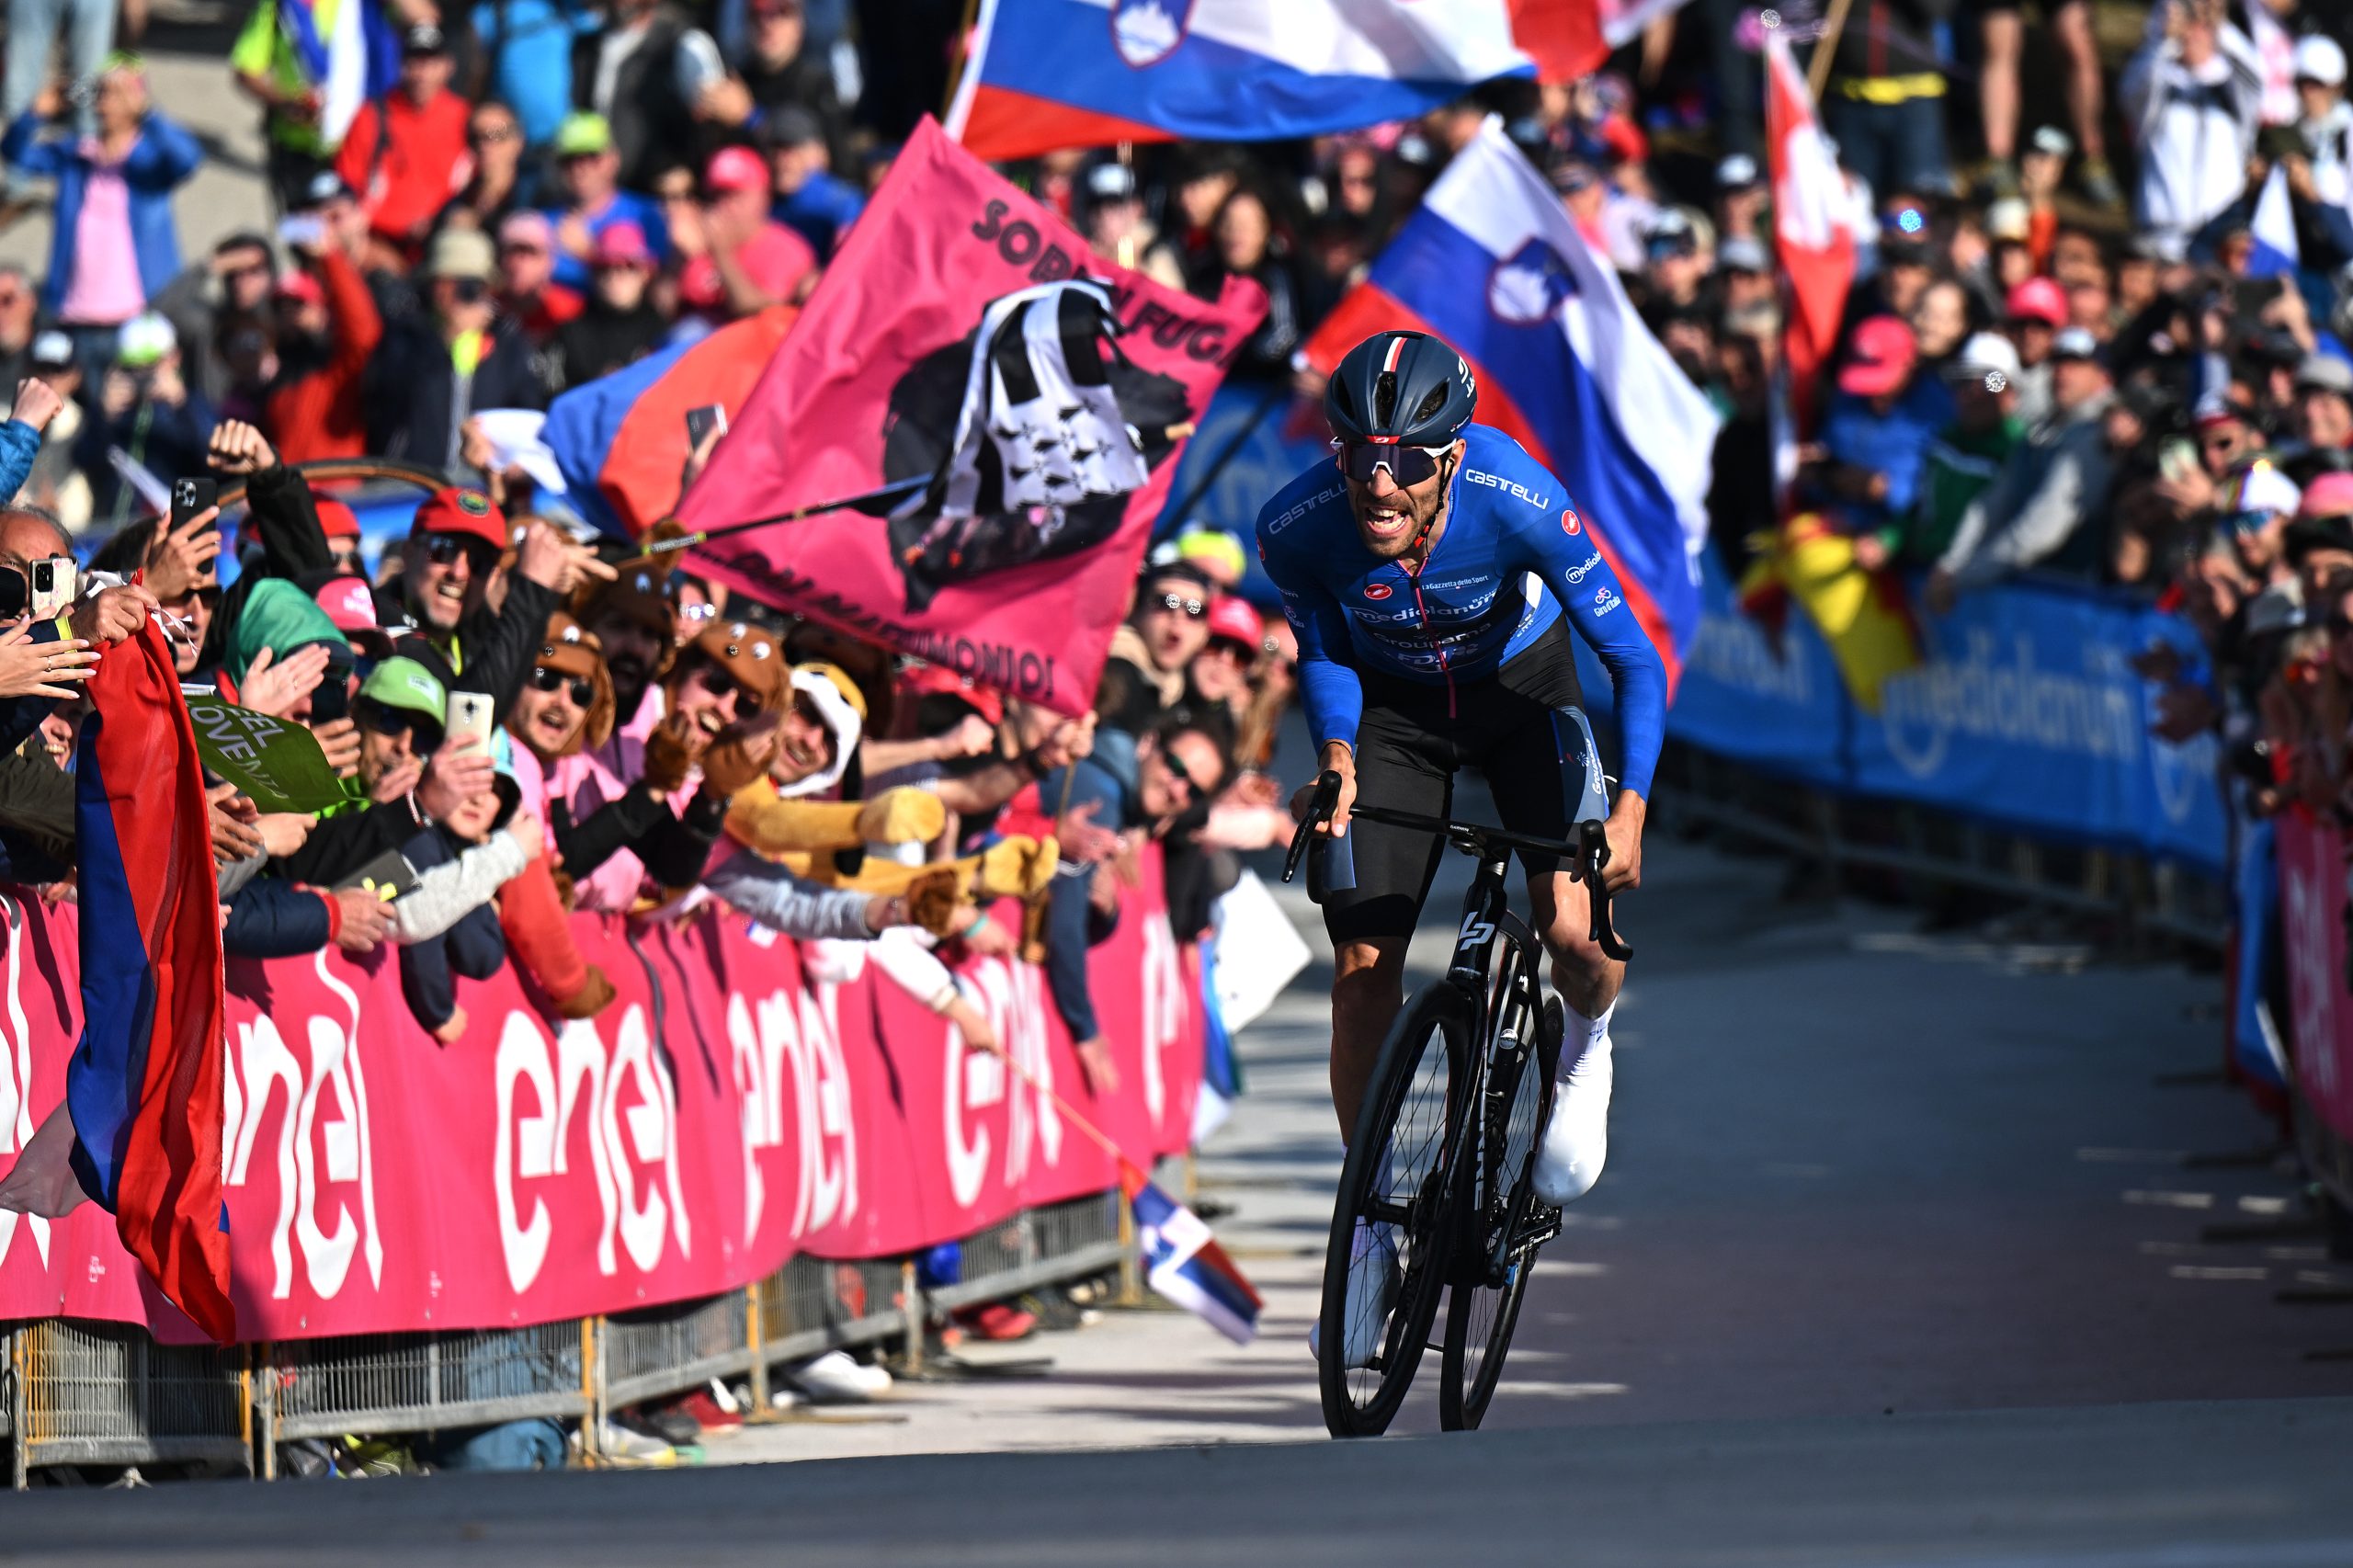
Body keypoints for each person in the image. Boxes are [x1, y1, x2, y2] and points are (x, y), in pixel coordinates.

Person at [1256, 331, 1666, 1363]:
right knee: (1358, 968)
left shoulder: (1517, 493)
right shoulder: (1296, 527)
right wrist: (1337, 752)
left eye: (1406, 461)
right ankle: (1366, 1234)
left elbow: (1633, 658)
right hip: (1394, 716)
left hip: (1522, 697)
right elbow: (1323, 651)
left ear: (1452, 455)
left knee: (1572, 928)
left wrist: (1632, 808)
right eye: (1358, 456)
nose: (1378, 483)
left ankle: (1586, 1047)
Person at [4, 55, 202, 349]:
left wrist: (150, 114)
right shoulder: (78, 154)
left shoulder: (149, 160)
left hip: (137, 316)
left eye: (114, 93)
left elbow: (188, 159)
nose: (103, 102)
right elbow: (16, 155)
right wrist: (35, 114)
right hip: (75, 314)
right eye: (99, 92)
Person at [334, 26, 472, 260]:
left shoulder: (464, 116)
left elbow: (500, 131)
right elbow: (346, 186)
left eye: (430, 64)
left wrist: (505, 131)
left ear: (448, 67)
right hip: (378, 240)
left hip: (441, 241)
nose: (421, 74)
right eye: (413, 63)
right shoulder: (371, 115)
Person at [672, 144, 814, 321]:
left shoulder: (786, 250)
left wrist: (721, 255)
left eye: (735, 195)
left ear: (763, 196)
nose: (725, 205)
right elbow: (664, 310)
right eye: (718, 195)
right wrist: (676, 258)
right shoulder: (697, 245)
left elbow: (759, 315)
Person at [541, 111, 668, 292]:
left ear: (613, 160)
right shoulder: (544, 223)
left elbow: (653, 290)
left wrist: (591, 254)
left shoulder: (647, 216)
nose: (579, 169)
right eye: (569, 160)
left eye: (591, 157)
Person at [550, 221, 665, 389]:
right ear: (593, 274)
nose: (615, 276)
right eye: (605, 267)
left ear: (646, 274)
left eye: (628, 266)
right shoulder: (571, 333)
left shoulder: (661, 329)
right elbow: (553, 397)